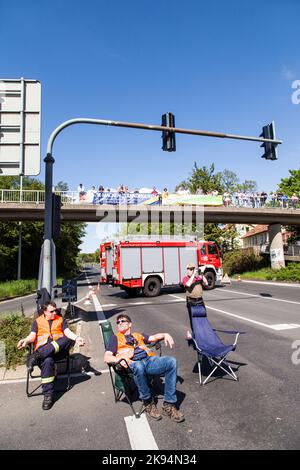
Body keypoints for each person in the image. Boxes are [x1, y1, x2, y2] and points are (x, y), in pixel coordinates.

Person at [104, 313, 185, 423]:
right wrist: (118, 360)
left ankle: (169, 405)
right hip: (131, 363)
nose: (119, 323)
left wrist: (166, 334)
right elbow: (107, 357)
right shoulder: (115, 338)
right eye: (118, 322)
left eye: (122, 321)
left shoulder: (138, 335)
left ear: (129, 324)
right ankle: (147, 402)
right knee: (139, 366)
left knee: (171, 361)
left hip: (148, 361)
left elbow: (154, 337)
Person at [17, 301, 85, 410]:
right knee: (48, 361)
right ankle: (48, 395)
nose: (55, 312)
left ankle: (36, 356)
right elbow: (32, 335)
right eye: (51, 311)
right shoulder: (37, 322)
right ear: (45, 311)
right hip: (45, 357)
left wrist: (77, 338)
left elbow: (67, 332)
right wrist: (25, 340)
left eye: (56, 310)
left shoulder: (60, 319)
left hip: (58, 352)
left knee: (68, 339)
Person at [182, 262, 208, 338]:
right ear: (187, 270)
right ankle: (195, 334)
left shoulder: (199, 278)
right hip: (191, 301)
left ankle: (204, 334)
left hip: (200, 300)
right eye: (190, 269)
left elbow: (206, 283)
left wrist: (202, 274)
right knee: (193, 320)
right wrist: (193, 275)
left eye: (193, 269)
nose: (192, 270)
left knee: (203, 317)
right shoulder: (185, 278)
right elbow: (188, 285)